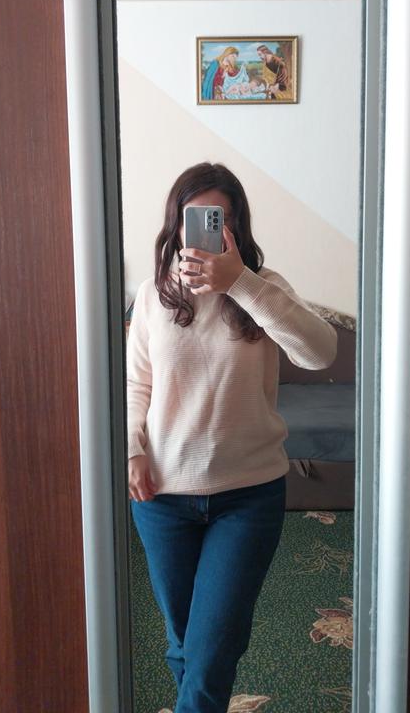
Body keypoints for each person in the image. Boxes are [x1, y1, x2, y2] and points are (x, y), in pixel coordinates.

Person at [127, 162, 337, 713]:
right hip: (162, 494)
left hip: (248, 495)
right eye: (194, 218)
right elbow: (136, 384)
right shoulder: (152, 295)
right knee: (185, 642)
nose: (204, 231)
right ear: (175, 224)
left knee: (215, 643)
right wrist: (130, 449)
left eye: (217, 219)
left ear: (236, 226)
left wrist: (239, 283)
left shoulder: (265, 288)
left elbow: (319, 353)